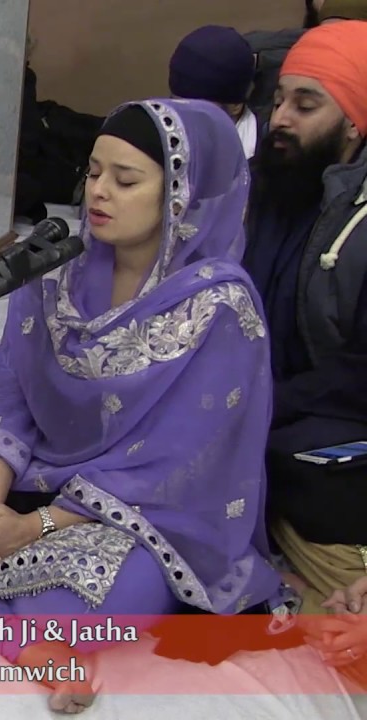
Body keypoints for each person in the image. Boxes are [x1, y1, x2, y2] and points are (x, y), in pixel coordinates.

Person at [0, 99, 287, 713]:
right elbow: (9, 398)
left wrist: (35, 528)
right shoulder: (59, 270)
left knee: (111, 588)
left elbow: (182, 470)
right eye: (95, 171)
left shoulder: (220, 309)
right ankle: (33, 645)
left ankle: (19, 620)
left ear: (183, 197)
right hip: (31, 480)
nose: (97, 192)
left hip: (133, 519)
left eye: (125, 180)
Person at [241, 21, 367, 613]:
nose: (280, 118)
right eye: (279, 99)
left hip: (329, 415)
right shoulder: (271, 187)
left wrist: (264, 403)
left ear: (354, 122)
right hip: (264, 397)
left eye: (305, 103)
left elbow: (357, 374)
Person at [169, 26, 260, 158]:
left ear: (236, 106)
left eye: (198, 113)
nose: (184, 123)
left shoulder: (267, 158)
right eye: (177, 107)